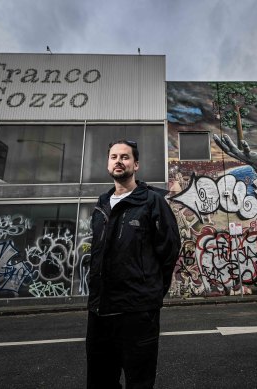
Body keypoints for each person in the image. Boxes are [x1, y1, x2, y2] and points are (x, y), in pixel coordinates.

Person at [86, 139, 181, 389]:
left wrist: (150, 292)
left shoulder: (152, 201)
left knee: (139, 382)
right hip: (100, 311)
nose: (119, 161)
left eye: (125, 157)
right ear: (108, 164)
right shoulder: (101, 205)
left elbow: (169, 250)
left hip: (137, 313)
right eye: (114, 157)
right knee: (100, 381)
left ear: (135, 164)